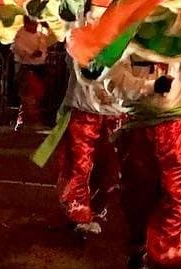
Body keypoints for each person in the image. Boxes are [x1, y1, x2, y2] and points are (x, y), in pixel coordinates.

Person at [114, 54, 181, 269]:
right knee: (137, 195)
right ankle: (138, 244)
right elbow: (112, 79)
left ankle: (169, 264)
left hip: (176, 125)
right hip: (137, 125)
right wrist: (149, 87)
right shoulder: (124, 32)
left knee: (176, 193)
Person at [43, 57, 124, 239]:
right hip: (84, 111)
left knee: (113, 171)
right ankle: (79, 214)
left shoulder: (126, 34)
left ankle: (94, 208)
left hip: (116, 113)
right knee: (79, 167)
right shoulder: (78, 33)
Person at [11, 16, 53, 129]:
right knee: (28, 95)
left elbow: (44, 48)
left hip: (39, 67)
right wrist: (31, 54)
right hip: (26, 67)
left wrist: (40, 53)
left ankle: (31, 120)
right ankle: (24, 120)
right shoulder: (20, 35)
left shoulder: (41, 33)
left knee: (37, 95)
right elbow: (18, 49)